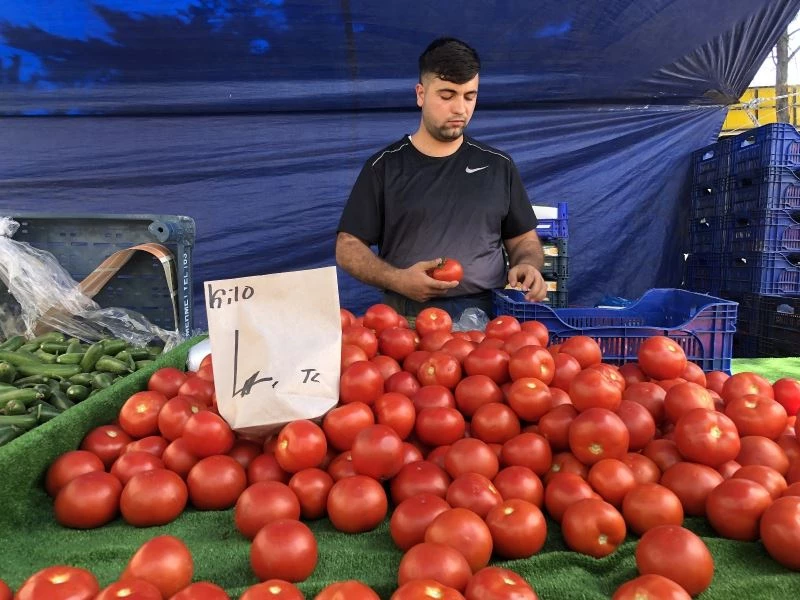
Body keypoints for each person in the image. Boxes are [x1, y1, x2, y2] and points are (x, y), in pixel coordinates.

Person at [335, 37, 547, 319]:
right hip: (404, 320)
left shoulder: (499, 165)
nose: (460, 108)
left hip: (490, 322)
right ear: (420, 94)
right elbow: (348, 247)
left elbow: (524, 241)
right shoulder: (384, 166)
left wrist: (528, 265)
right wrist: (397, 279)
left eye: (469, 96)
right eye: (447, 96)